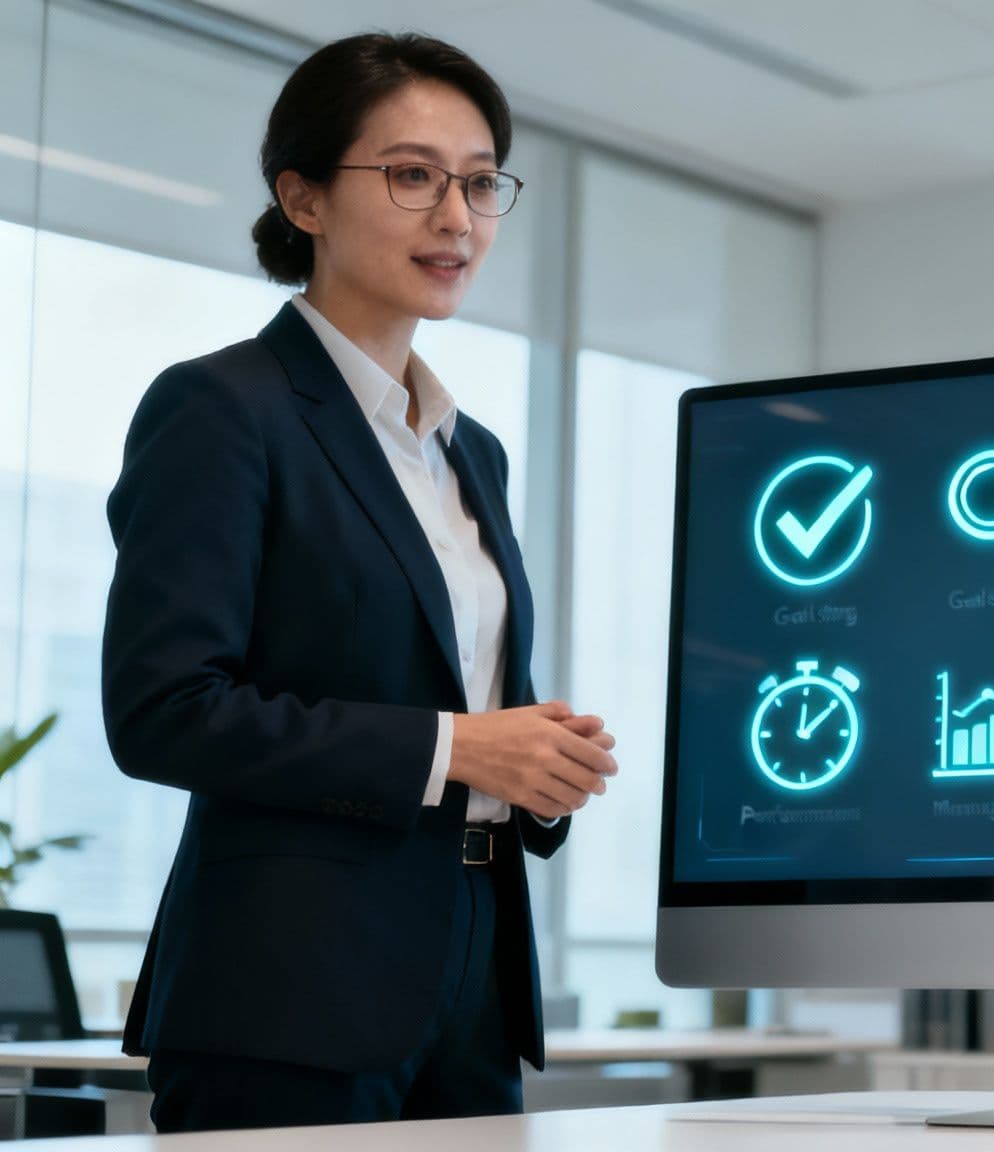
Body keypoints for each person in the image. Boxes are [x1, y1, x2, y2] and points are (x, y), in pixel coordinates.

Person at [101, 33, 618, 1132]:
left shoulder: (469, 451)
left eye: (480, 183)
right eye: (413, 175)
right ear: (304, 198)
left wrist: (535, 762)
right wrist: (456, 748)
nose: (458, 218)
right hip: (288, 991)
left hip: (473, 978)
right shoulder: (223, 410)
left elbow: (455, 690)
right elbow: (163, 712)